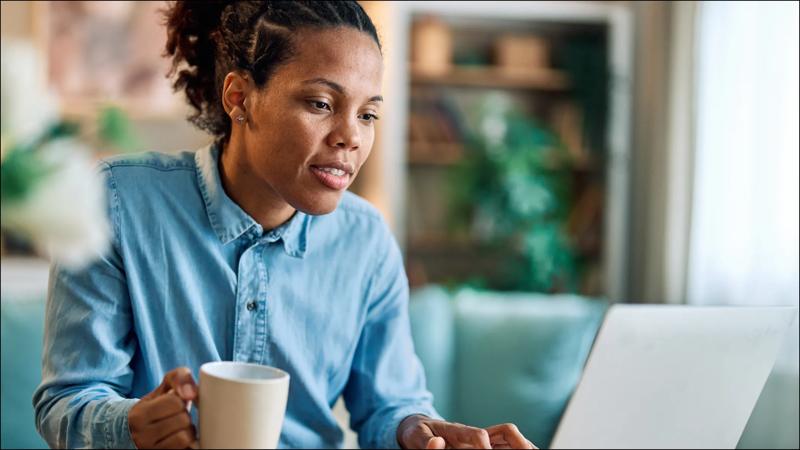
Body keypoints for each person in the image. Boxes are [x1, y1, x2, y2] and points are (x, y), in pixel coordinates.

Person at [33, 2, 536, 449]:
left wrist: (419, 432)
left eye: (368, 115)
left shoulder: (366, 240)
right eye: (321, 104)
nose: (350, 138)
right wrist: (131, 426)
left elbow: (389, 404)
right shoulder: (121, 204)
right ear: (240, 97)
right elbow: (67, 402)